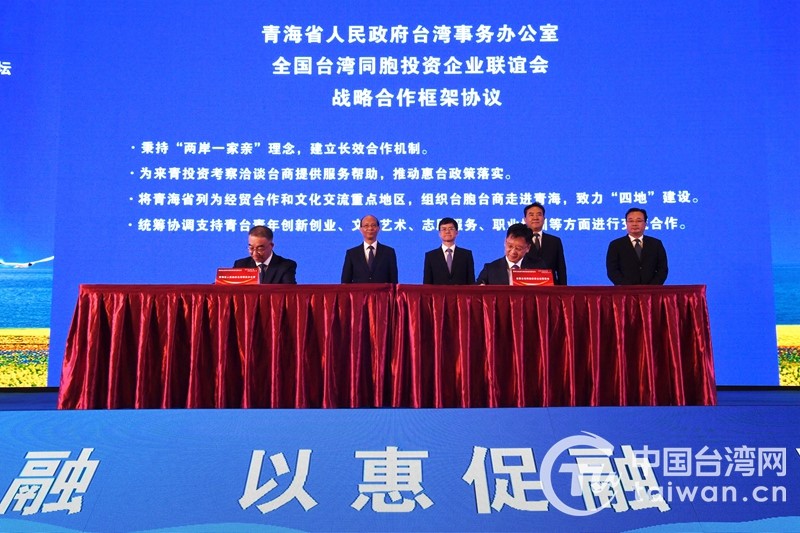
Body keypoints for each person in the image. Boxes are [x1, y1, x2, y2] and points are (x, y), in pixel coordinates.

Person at [606, 207, 668, 285]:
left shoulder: (656, 244)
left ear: (645, 224)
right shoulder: (615, 245)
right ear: (626, 223)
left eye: (639, 221)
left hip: (651, 290)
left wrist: (652, 287)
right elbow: (612, 271)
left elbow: (662, 269)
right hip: (625, 290)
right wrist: (628, 287)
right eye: (631, 221)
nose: (634, 224)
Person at [477, 223, 546, 285]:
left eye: (518, 248)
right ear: (505, 242)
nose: (513, 252)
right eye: (510, 246)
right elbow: (476, 289)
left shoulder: (538, 267)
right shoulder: (490, 269)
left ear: (528, 248)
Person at [341, 214, 398, 283]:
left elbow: (394, 282)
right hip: (359, 290)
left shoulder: (389, 252)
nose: (370, 228)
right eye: (366, 225)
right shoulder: (352, 254)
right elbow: (345, 282)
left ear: (378, 228)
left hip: (382, 290)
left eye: (373, 225)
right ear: (361, 229)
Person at [523, 202, 567, 285]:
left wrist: (563, 289)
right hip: (527, 285)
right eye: (531, 215)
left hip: (551, 288)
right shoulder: (521, 241)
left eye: (539, 214)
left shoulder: (555, 241)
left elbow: (561, 269)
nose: (535, 218)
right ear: (525, 219)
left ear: (544, 219)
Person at [422, 217, 475, 285]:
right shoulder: (431, 256)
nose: (447, 231)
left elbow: (471, 282)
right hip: (439, 292)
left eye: (451, 229)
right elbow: (427, 283)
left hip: (460, 292)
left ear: (457, 232)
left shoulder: (466, 255)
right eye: (444, 229)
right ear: (439, 233)